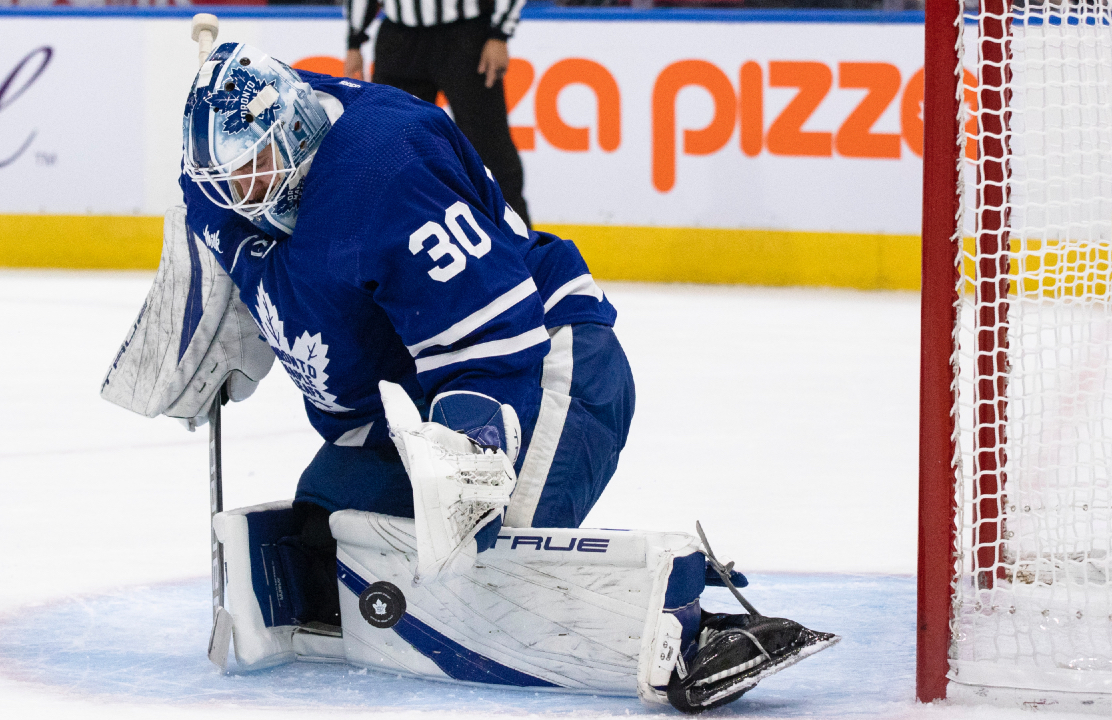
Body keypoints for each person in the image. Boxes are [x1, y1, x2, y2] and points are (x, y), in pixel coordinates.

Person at [100, 45, 836, 713]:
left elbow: (491, 343)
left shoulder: (383, 171)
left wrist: (467, 471)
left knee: (475, 569)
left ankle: (685, 626)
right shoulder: (222, 186)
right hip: (413, 394)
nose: (245, 190)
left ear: (294, 132)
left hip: (545, 362)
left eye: (258, 165)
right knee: (324, 535)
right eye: (226, 177)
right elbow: (224, 249)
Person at [343, 0, 532, 227]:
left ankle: (524, 252)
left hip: (466, 35)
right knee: (389, 152)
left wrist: (499, 34)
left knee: (490, 152)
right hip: (399, 38)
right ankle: (396, 248)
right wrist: (354, 39)